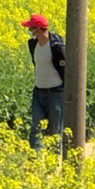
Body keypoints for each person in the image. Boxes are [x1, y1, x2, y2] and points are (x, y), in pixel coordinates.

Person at [22, 14, 65, 150]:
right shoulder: (33, 44)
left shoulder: (56, 47)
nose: (29, 31)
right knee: (36, 129)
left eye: (31, 28)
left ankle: (53, 165)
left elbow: (66, 69)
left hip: (56, 93)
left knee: (55, 131)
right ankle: (35, 162)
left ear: (39, 29)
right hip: (38, 92)